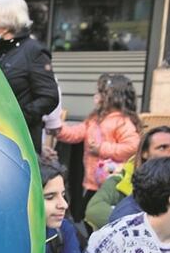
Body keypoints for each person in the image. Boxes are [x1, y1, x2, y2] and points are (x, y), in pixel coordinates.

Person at [0, 0, 59, 155]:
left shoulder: (33, 51)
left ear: (5, 22)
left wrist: (18, 118)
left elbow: (49, 96)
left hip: (20, 144)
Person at [57, 73, 141, 204]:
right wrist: (58, 128)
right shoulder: (95, 118)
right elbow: (77, 133)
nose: (96, 96)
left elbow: (133, 146)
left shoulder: (122, 121)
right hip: (93, 181)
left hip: (112, 183)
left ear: (113, 97)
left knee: (93, 213)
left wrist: (101, 148)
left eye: (101, 92)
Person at [86, 126, 170, 231]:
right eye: (162, 147)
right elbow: (94, 210)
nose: (169, 153)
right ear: (145, 153)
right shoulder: (119, 180)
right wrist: (137, 225)